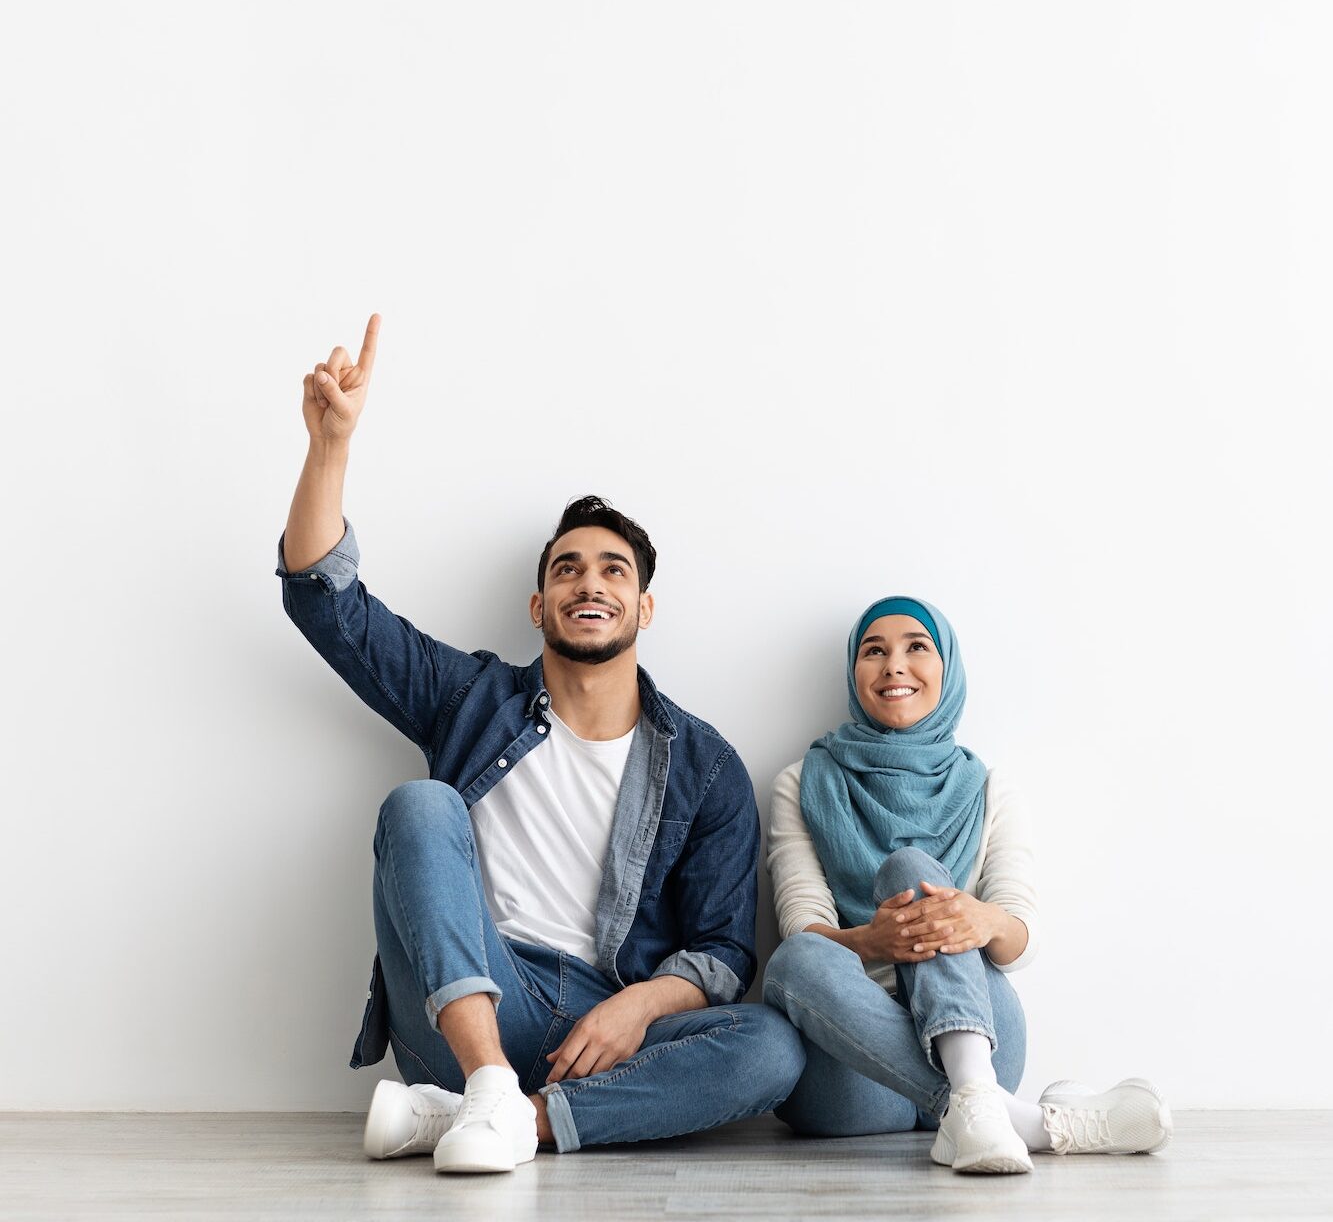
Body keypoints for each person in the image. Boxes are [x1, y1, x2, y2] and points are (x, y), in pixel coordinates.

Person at [276, 314, 804, 1176]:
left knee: (771, 1048)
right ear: (538, 606)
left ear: (643, 608)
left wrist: (637, 1006)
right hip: (470, 1000)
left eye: (611, 571)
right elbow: (326, 604)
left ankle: (507, 1120)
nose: (588, 582)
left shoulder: (703, 764)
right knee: (420, 804)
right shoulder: (471, 698)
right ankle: (481, 1084)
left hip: (605, 1024)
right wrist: (331, 446)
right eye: (566, 568)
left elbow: (720, 952)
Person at [763, 595, 1171, 1175]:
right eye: (873, 651)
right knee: (795, 957)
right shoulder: (802, 782)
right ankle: (1022, 1119)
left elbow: (1020, 939)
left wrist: (985, 920)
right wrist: (874, 943)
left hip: (979, 1034)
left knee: (912, 871)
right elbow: (802, 923)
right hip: (849, 1072)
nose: (894, 665)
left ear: (947, 668)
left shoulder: (988, 788)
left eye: (917, 648)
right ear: (854, 673)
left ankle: (979, 1101)